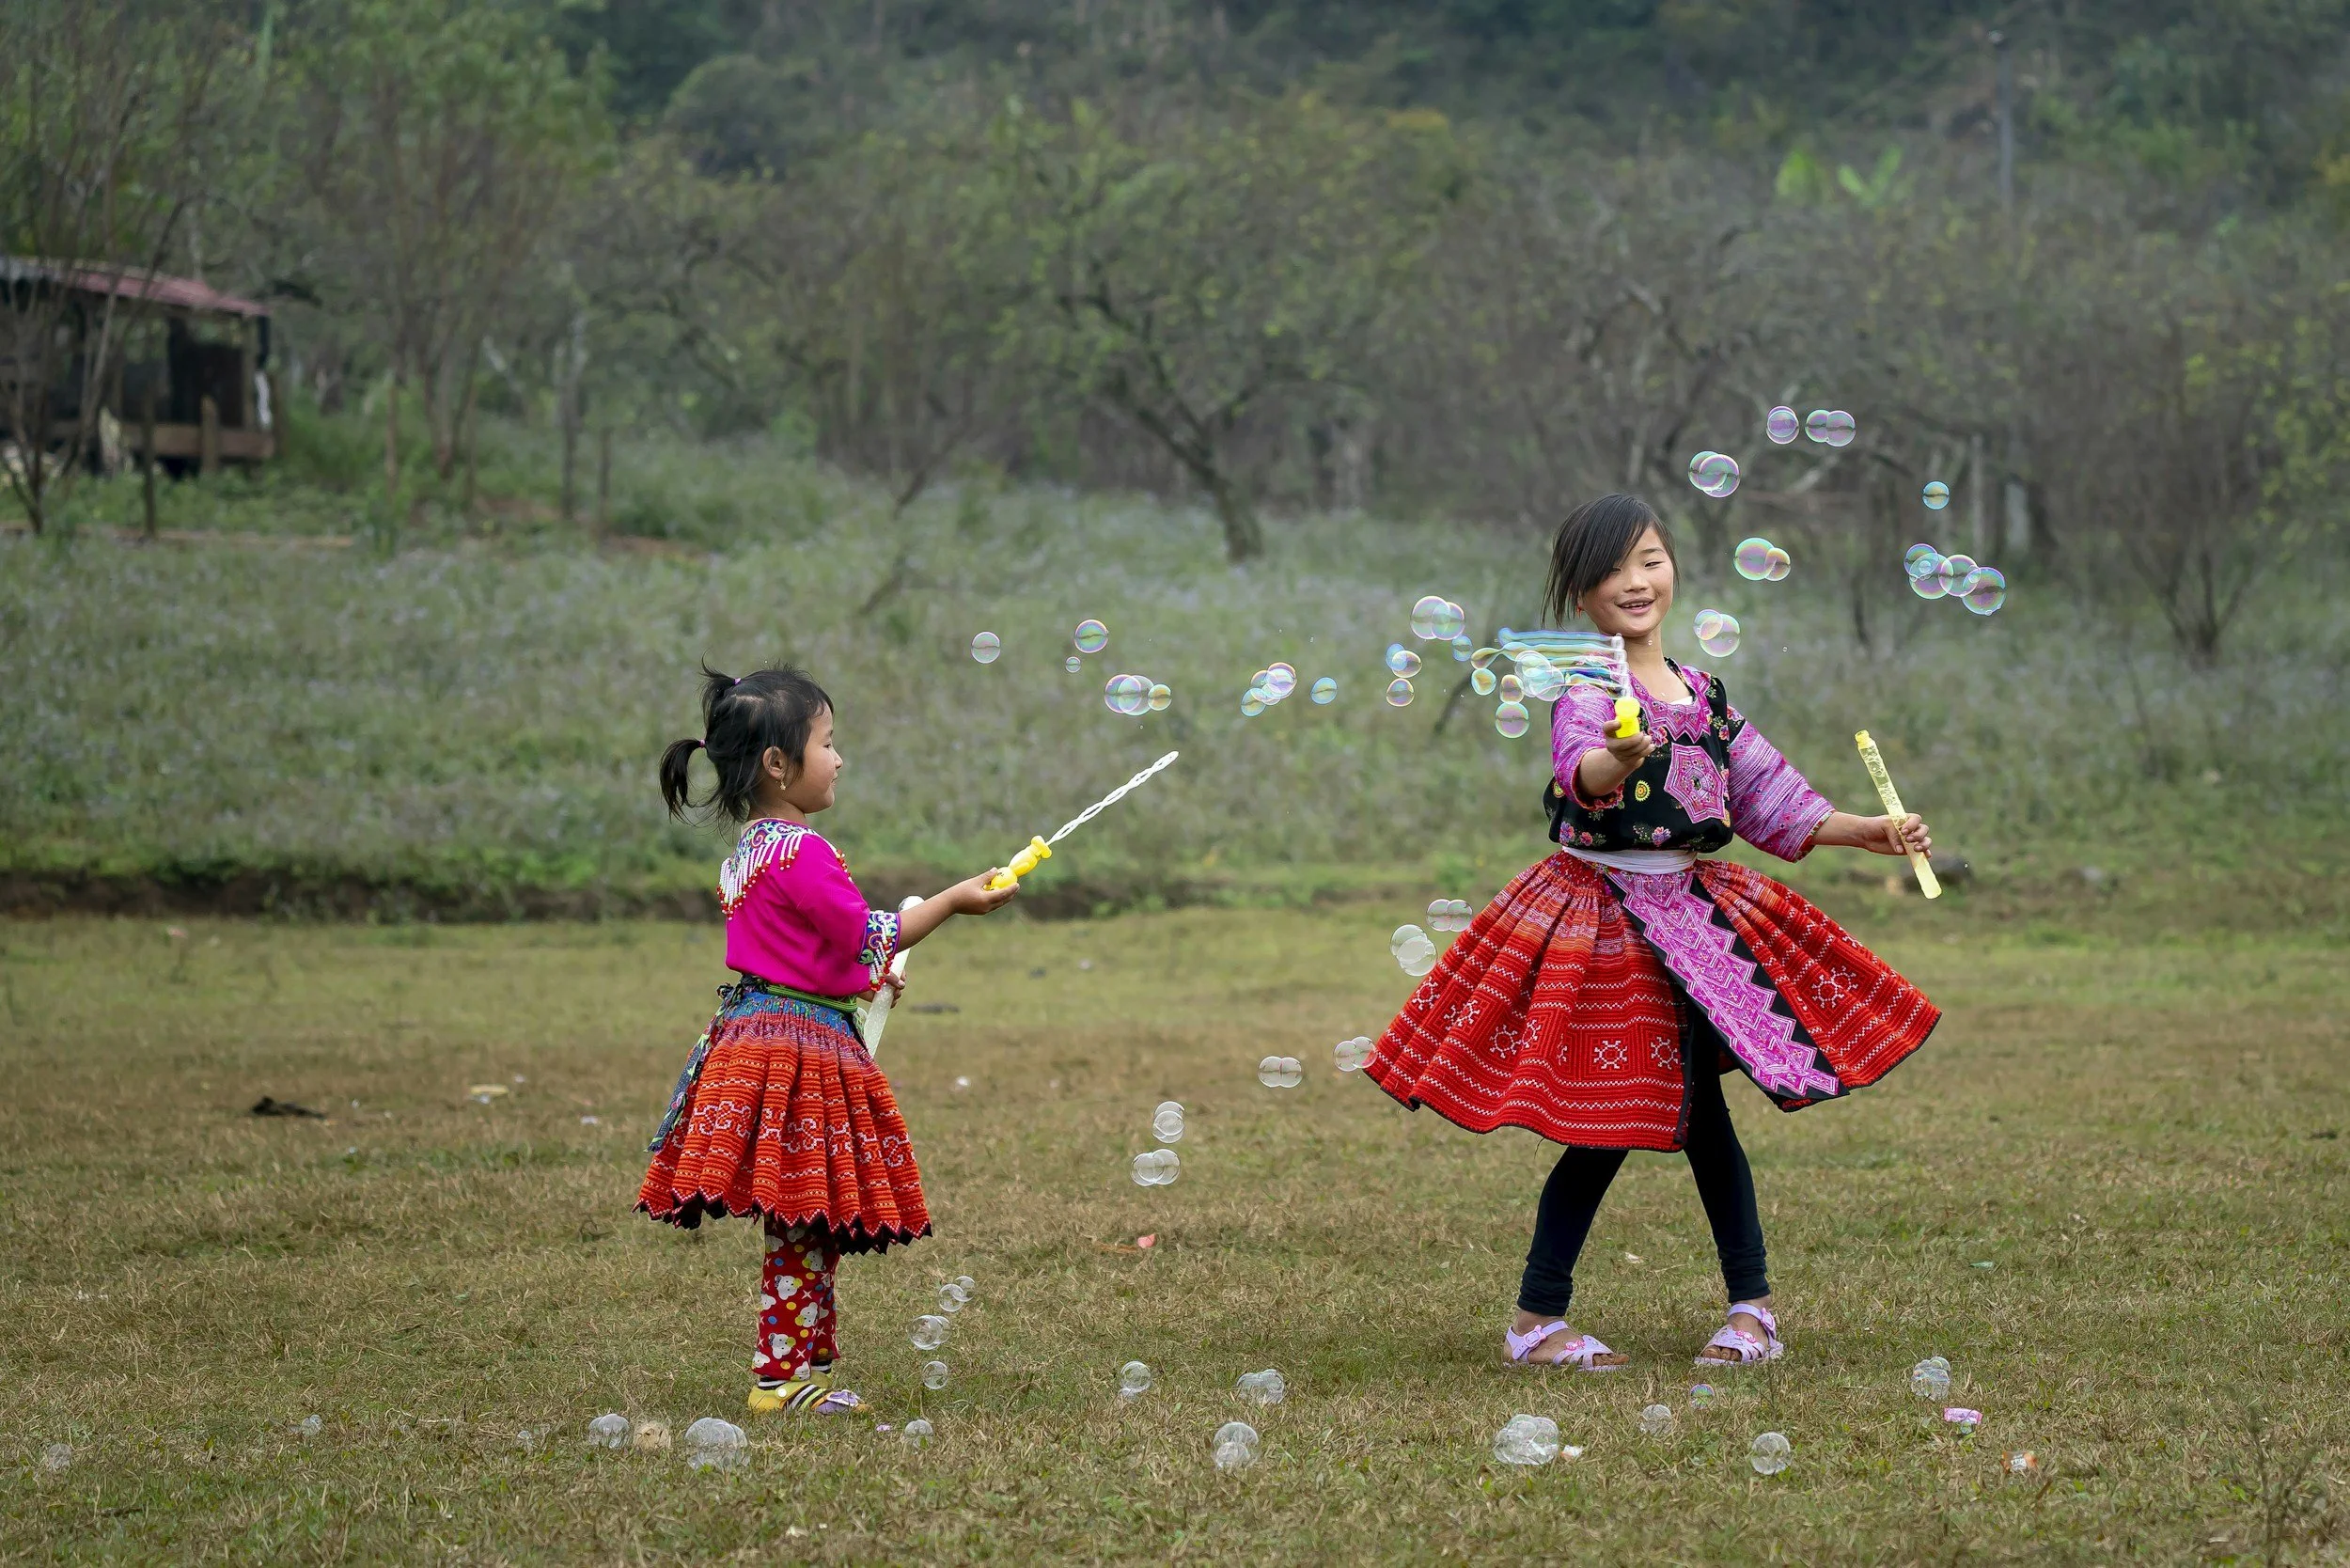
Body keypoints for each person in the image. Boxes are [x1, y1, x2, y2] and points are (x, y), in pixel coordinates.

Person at [1364, 494, 1940, 1371]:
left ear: (1673, 566)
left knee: (1705, 1122)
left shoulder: (1705, 696)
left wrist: (1867, 829)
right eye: (1610, 571)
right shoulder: (1589, 688)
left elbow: (1771, 798)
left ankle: (1747, 1311)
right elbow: (1581, 768)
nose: (1635, 582)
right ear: (1580, 595)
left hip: (1698, 920)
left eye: (1649, 560)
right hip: (1602, 925)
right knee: (1604, 1127)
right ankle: (1541, 1320)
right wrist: (1617, 760)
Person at [638, 665, 1015, 1415]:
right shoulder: (803, 851)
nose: (840, 759)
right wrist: (949, 902)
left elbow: (812, 952)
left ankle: (801, 1365)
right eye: (828, 743)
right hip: (795, 1049)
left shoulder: (750, 850)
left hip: (761, 1030)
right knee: (804, 1213)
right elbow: (862, 933)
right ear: (778, 764)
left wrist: (860, 979)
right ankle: (779, 1381)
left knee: (806, 1213)